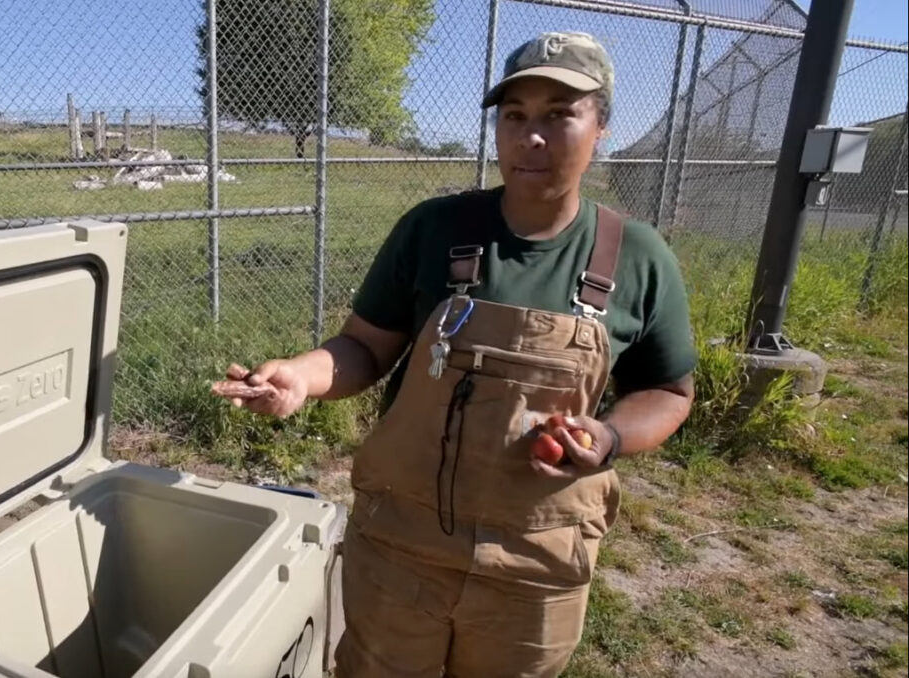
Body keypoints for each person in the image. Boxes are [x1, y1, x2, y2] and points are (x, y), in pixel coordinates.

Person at [213, 30, 697, 678]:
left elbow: (668, 391)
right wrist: (301, 377)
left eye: (560, 115)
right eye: (515, 116)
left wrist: (608, 437)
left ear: (601, 124)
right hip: (401, 547)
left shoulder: (638, 257)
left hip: (537, 561)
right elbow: (364, 346)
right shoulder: (433, 229)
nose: (532, 137)